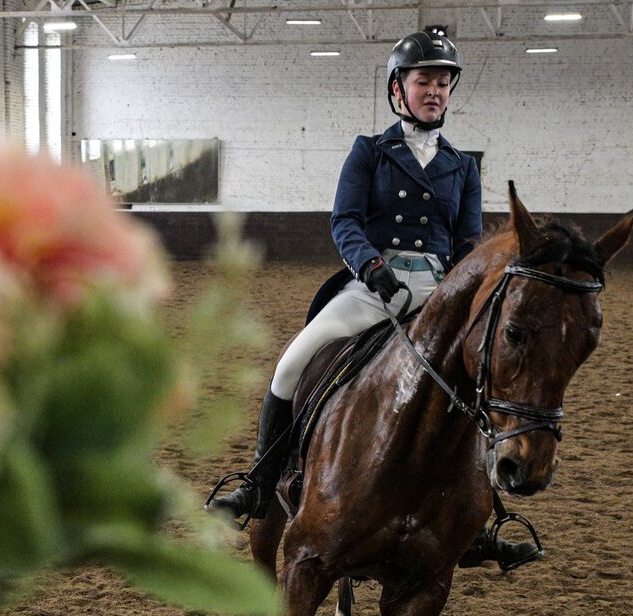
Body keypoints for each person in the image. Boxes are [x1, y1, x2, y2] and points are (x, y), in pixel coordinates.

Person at [208, 30, 538, 568]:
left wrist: (460, 293)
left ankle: (479, 521)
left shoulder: (463, 167)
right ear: (398, 89)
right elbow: (345, 220)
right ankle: (260, 483)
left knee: (478, 385)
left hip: (437, 293)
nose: (434, 91)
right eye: (423, 81)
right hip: (372, 288)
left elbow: (468, 245)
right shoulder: (370, 151)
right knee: (292, 363)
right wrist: (373, 268)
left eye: (443, 83)